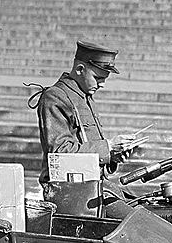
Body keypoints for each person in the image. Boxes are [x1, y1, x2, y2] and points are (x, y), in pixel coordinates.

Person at [28, 40, 137, 219]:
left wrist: (112, 156)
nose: (102, 84)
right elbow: (60, 152)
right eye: (98, 78)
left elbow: (88, 150)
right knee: (139, 223)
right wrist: (108, 147)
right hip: (73, 194)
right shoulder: (55, 97)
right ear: (79, 69)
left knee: (149, 212)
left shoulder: (84, 96)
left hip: (93, 189)